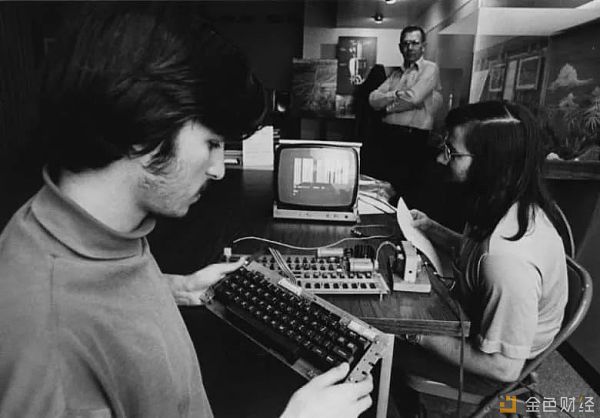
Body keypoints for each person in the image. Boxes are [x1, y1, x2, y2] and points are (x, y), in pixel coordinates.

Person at [0, 4, 373, 418]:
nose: (218, 169)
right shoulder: (46, 340)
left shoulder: (91, 227)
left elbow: (102, 297)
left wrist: (179, 288)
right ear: (144, 127)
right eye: (212, 143)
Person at [393, 102, 568, 407]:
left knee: (380, 344)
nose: (441, 158)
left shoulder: (507, 261)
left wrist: (417, 334)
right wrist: (433, 229)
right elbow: (476, 255)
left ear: (491, 164)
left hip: (493, 367)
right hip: (481, 323)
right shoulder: (504, 203)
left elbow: (503, 367)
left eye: (452, 152)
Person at [368, 25, 442, 205]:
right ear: (400, 47)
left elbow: (414, 97)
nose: (410, 48)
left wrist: (386, 108)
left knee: (407, 193)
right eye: (406, 44)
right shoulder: (396, 74)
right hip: (390, 135)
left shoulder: (430, 69)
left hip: (413, 139)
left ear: (423, 46)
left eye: (414, 43)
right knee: (386, 188)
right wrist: (396, 94)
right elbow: (373, 99)